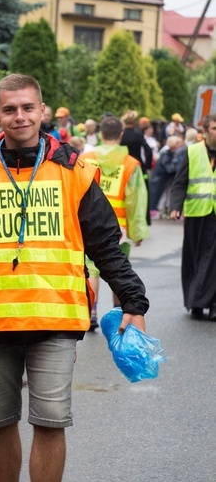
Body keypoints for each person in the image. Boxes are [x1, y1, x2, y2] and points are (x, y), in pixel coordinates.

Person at [0, 74, 149, 482]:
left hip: (54, 320)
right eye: (9, 109)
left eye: (26, 108)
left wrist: (133, 302)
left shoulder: (75, 170)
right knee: (0, 425)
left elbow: (106, 245)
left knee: (51, 425)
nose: (19, 116)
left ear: (41, 110)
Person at [82, 116, 148, 329]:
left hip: (87, 223)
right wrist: (137, 232)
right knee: (118, 269)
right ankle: (120, 313)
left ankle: (91, 312)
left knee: (91, 269)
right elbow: (136, 200)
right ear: (120, 135)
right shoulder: (130, 164)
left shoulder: (86, 158)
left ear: (101, 134)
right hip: (119, 227)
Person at [170, 113, 216, 320]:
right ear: (205, 131)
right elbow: (180, 182)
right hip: (197, 212)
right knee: (195, 259)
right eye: (215, 128)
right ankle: (195, 301)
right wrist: (175, 206)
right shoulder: (192, 151)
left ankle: (213, 303)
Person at [120, 110, 153, 224]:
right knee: (142, 193)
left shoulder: (121, 134)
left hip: (123, 166)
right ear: (134, 122)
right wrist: (147, 165)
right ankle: (143, 219)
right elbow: (148, 150)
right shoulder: (138, 134)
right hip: (137, 167)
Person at [149, 135, 184, 220]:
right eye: (178, 143)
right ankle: (157, 210)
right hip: (160, 179)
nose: (180, 145)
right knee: (160, 196)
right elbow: (168, 168)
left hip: (163, 179)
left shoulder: (171, 153)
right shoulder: (166, 153)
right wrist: (176, 167)